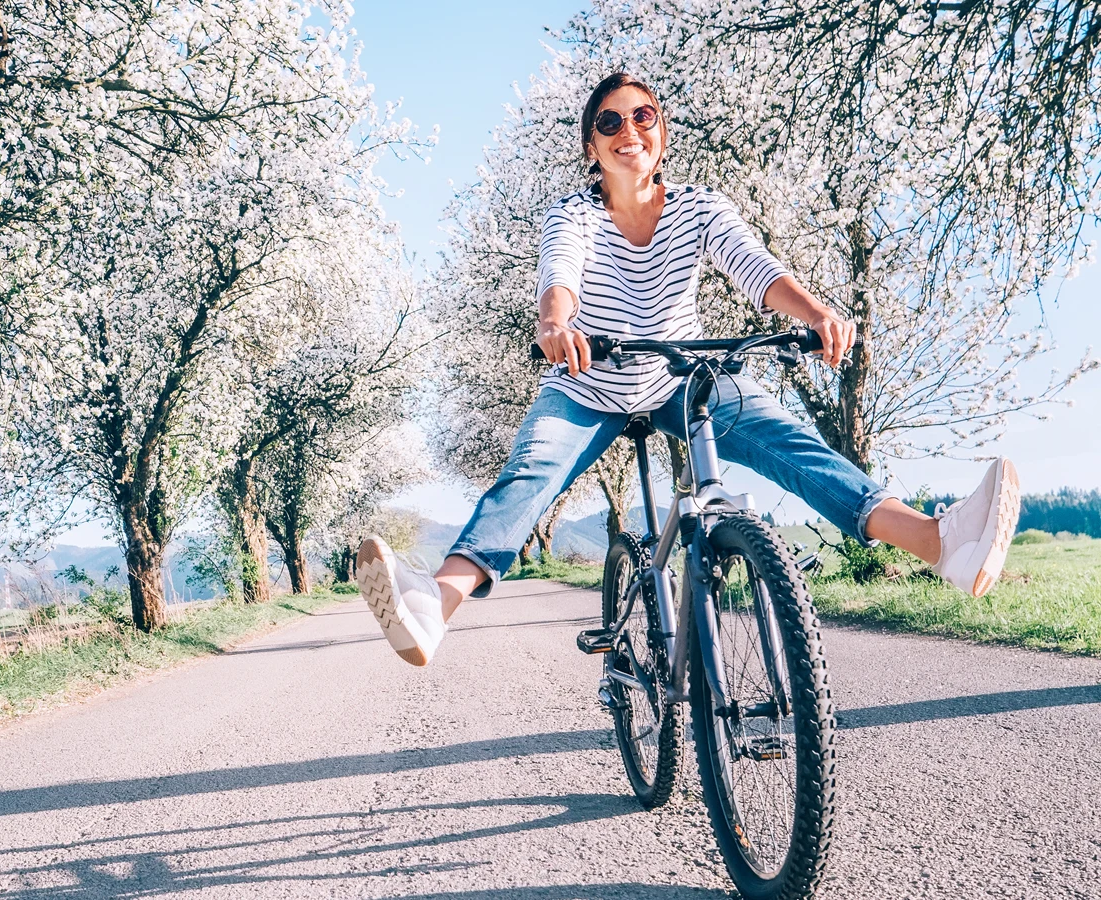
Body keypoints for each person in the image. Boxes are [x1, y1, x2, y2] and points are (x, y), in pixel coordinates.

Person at [355, 72, 1020, 667]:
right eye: (609, 122)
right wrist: (556, 326)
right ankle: (433, 607)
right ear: (593, 147)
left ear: (662, 135)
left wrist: (817, 313)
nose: (628, 131)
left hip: (681, 376)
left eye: (643, 116)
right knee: (529, 473)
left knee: (791, 445)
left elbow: (754, 266)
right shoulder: (576, 215)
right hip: (590, 383)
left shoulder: (701, 206)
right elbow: (560, 277)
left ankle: (939, 544)